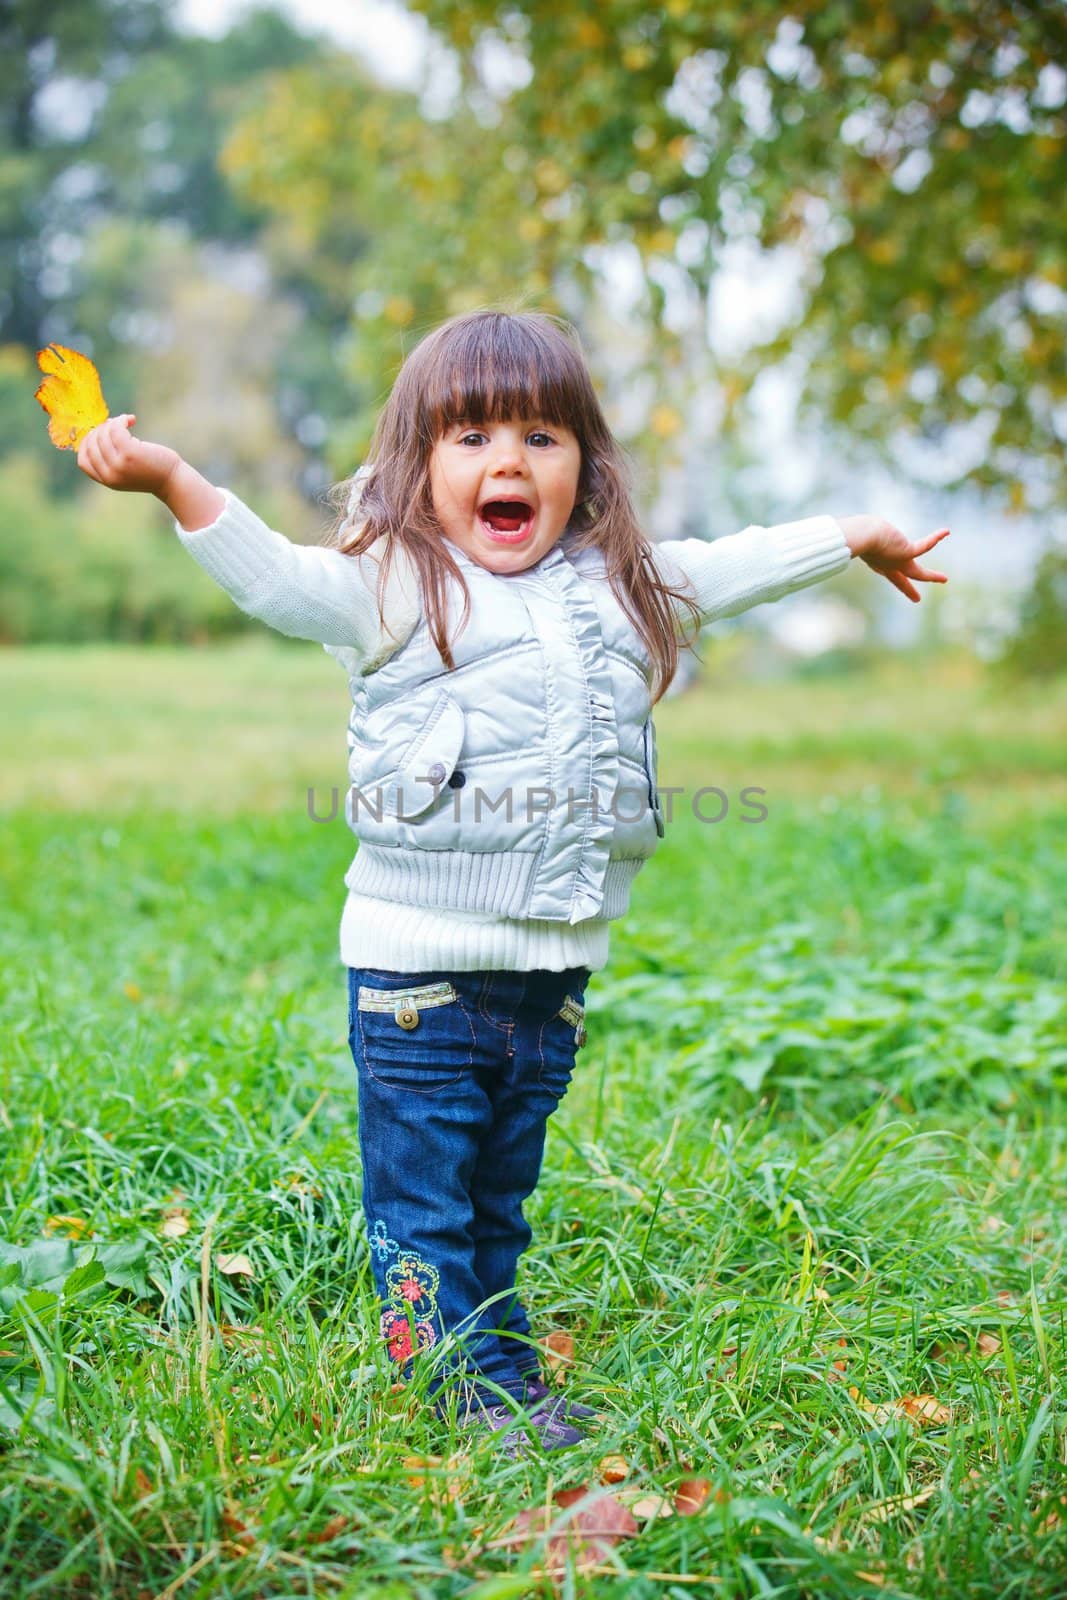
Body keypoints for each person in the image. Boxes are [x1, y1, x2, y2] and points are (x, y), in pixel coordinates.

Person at [76, 308, 950, 1457]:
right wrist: (173, 479)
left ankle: (488, 1349)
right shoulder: (392, 585)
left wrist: (852, 537)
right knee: (424, 1205)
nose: (507, 461)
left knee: (498, 1195)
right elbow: (280, 582)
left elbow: (729, 566)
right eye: (471, 435)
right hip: (418, 980)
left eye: (541, 436)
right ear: (417, 465)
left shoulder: (624, 589)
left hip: (549, 981)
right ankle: (448, 1383)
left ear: (582, 466)